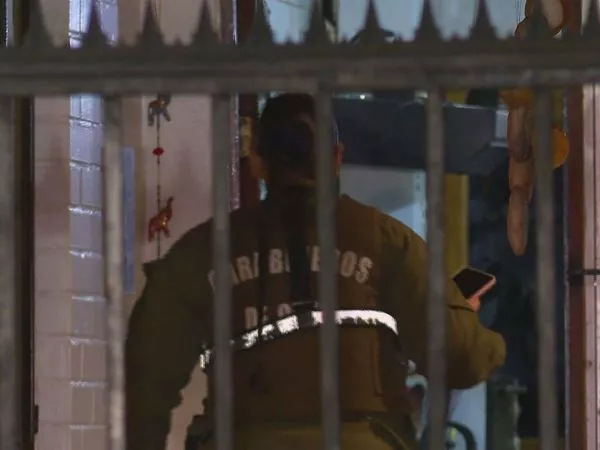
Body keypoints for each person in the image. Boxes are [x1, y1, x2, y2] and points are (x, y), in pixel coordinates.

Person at [125, 93, 506, 450]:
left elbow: (144, 379)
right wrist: (477, 330)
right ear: (336, 157)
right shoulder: (386, 241)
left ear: (257, 162)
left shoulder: (205, 250)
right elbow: (462, 359)